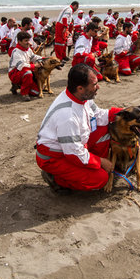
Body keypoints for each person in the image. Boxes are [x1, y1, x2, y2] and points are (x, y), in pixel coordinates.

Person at [35, 64, 123, 192]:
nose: (98, 87)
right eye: (94, 85)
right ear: (80, 88)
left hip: (72, 145)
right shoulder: (67, 116)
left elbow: (98, 115)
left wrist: (123, 113)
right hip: (55, 157)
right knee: (100, 178)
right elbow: (74, 154)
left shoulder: (83, 97)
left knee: (104, 129)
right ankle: (56, 178)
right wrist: (100, 161)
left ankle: (92, 165)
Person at [9, 31, 43, 100]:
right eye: (26, 41)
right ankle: (24, 93)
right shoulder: (16, 52)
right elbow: (22, 66)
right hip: (15, 73)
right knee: (28, 73)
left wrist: (44, 59)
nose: (28, 42)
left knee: (36, 92)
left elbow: (34, 57)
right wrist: (35, 65)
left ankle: (18, 86)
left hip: (24, 71)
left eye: (28, 40)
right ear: (19, 41)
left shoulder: (28, 49)